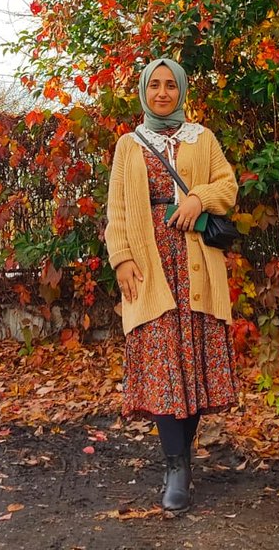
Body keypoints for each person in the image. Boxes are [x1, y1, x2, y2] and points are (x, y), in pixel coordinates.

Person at [104, 56, 238, 514]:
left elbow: (228, 184)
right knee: (163, 365)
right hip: (150, 264)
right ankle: (175, 466)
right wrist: (121, 257)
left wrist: (199, 196)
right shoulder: (129, 145)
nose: (163, 93)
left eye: (170, 86)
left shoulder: (203, 138)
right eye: (154, 86)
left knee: (197, 362)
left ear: (182, 90)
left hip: (197, 261)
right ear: (144, 91)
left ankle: (184, 453)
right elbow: (118, 209)